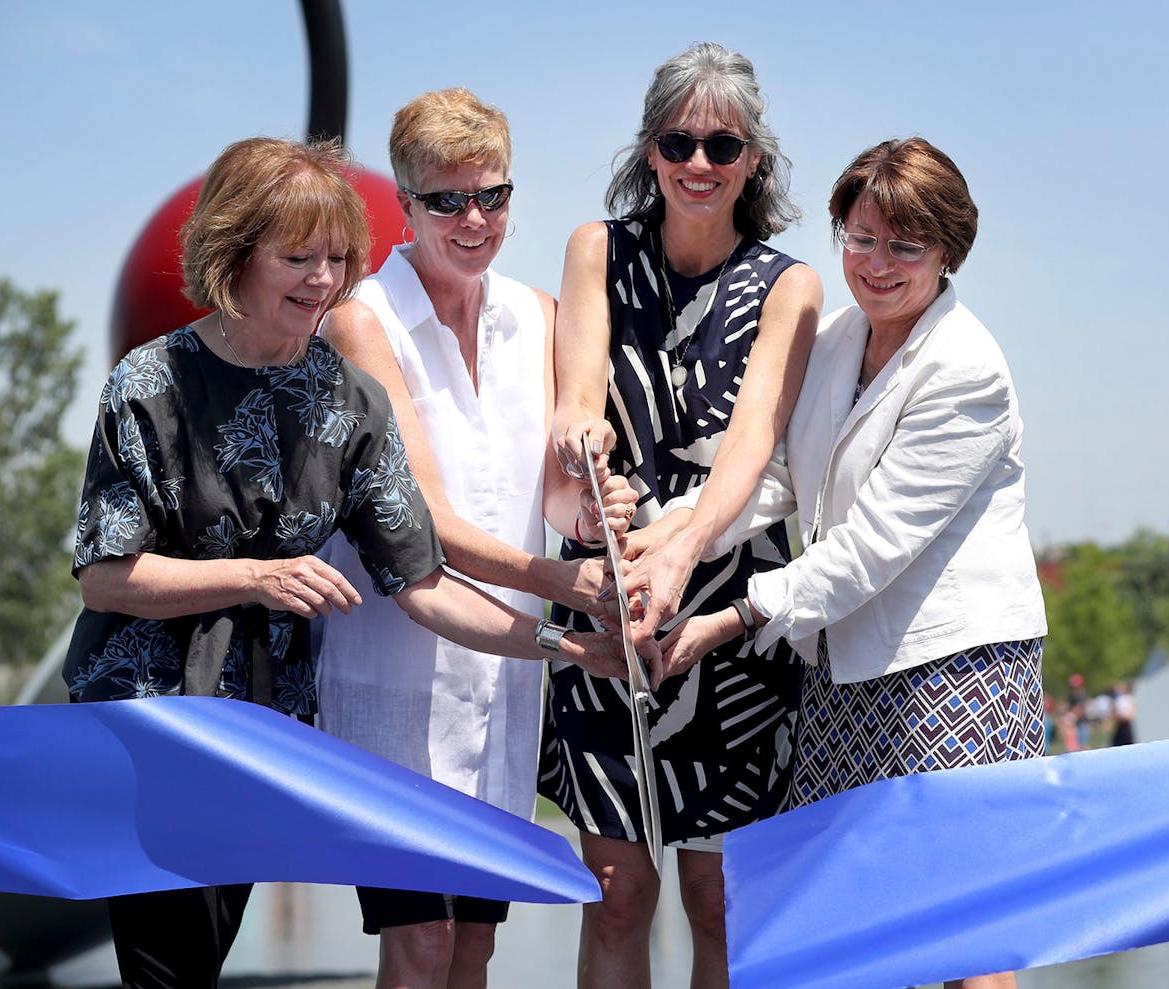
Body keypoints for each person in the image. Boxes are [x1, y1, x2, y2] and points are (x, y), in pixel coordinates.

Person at [62, 136, 629, 989]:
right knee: (167, 971)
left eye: (336, 258)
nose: (323, 280)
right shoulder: (150, 382)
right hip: (155, 725)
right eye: (297, 257)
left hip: (268, 732)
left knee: (204, 959)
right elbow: (104, 574)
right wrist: (255, 577)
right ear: (234, 253)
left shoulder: (346, 396)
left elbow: (426, 583)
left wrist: (570, 646)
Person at [659, 137, 1047, 989]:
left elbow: (871, 545)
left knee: (966, 930)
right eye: (860, 236)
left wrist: (732, 616)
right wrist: (665, 536)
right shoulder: (838, 339)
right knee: (861, 924)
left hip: (956, 674)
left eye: (906, 245)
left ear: (948, 252)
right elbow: (774, 480)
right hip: (847, 669)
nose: (877, 263)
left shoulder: (966, 368)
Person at [309, 88, 632, 989]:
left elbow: (558, 500)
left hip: (503, 686)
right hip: (395, 683)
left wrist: (601, 507)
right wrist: (569, 589)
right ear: (405, 207)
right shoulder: (361, 323)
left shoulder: (537, 316)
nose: (474, 217)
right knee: (418, 943)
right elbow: (427, 521)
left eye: (492, 194)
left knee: (475, 944)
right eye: (447, 199)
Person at [542, 42, 821, 989]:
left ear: (755, 160)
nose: (699, 164)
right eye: (679, 141)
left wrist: (682, 549)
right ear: (651, 151)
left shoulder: (791, 286)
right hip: (609, 591)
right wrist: (587, 458)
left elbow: (751, 451)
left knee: (720, 895)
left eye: (723, 145)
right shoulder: (596, 249)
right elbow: (578, 394)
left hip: (730, 613)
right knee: (616, 888)